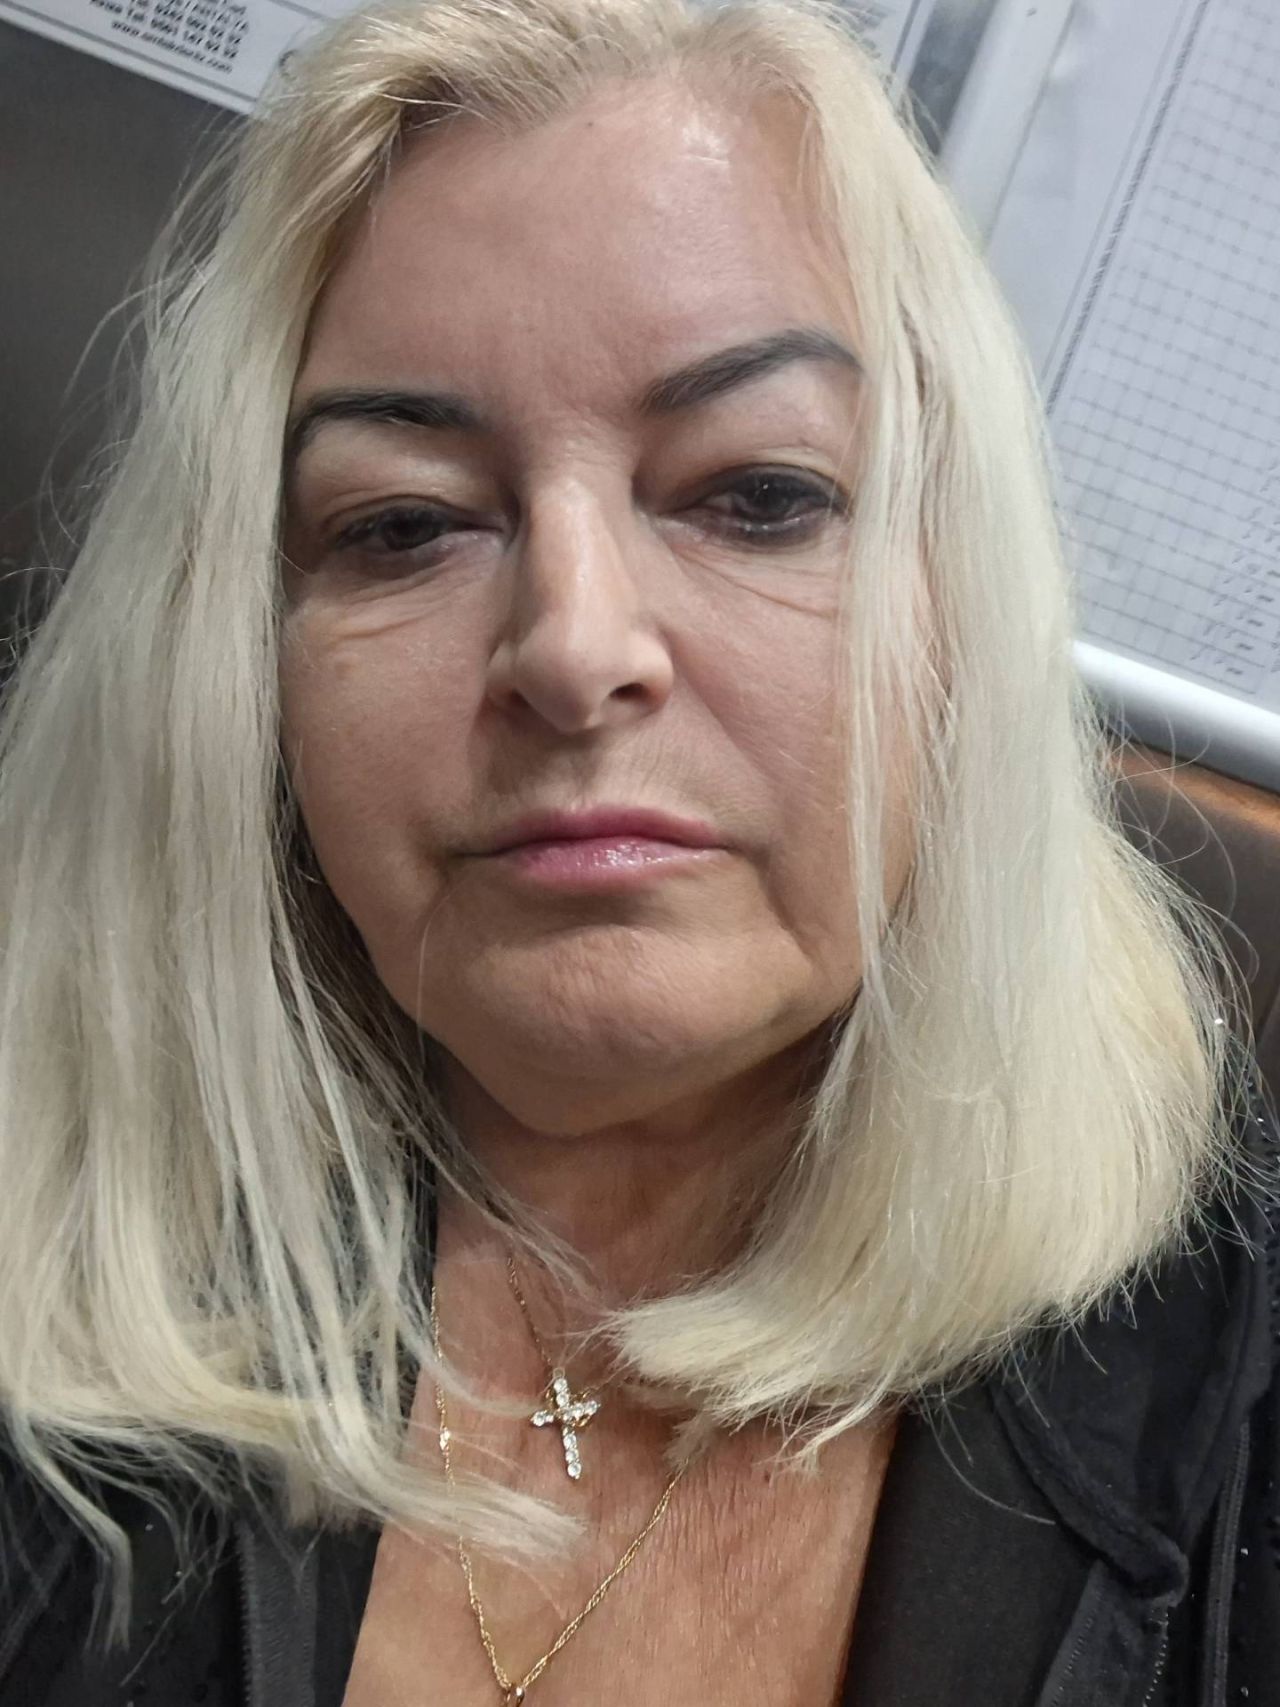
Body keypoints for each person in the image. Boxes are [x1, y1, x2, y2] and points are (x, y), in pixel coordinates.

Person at [0, 0, 1276, 1702]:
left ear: (959, 599)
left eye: (758, 496)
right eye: (404, 523)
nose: (575, 646)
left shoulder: (1233, 1377)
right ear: (239, 664)